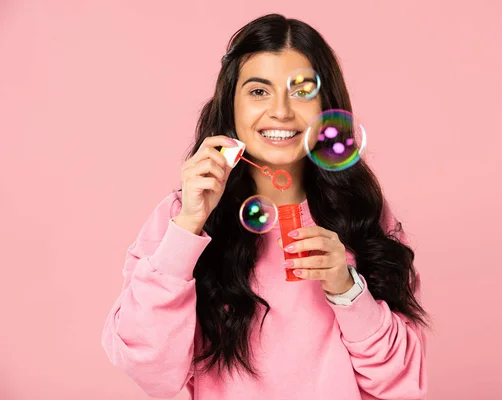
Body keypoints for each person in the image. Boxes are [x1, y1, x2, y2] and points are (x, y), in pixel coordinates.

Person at [101, 13, 428, 400]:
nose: (282, 111)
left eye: (302, 91)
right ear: (231, 105)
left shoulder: (362, 215)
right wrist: (189, 225)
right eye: (259, 91)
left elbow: (402, 382)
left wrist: (346, 289)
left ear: (326, 106)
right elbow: (148, 368)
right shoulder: (180, 219)